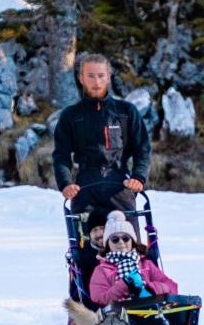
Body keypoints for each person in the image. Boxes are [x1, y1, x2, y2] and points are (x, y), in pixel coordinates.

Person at [52, 52, 151, 219]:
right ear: (81, 78)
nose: (96, 82)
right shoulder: (70, 115)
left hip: (120, 184)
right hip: (84, 187)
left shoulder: (126, 112)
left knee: (125, 241)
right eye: (90, 76)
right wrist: (66, 184)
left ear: (108, 78)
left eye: (100, 76)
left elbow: (142, 149)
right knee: (85, 241)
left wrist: (138, 178)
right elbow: (61, 155)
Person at [89, 210, 178, 307]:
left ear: (132, 241)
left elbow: (172, 287)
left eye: (126, 238)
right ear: (108, 244)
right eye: (115, 239)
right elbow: (99, 298)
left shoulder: (145, 264)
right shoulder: (102, 270)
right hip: (120, 315)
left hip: (150, 308)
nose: (121, 242)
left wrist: (151, 289)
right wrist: (124, 285)